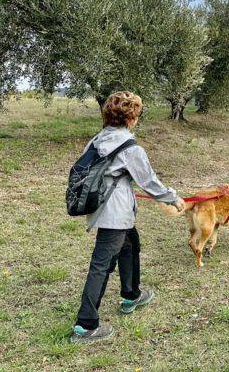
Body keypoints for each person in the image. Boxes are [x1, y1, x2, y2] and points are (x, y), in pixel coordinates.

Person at [71, 91, 185, 344]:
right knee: (101, 265)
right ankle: (85, 325)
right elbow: (149, 182)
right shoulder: (129, 147)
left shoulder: (96, 139)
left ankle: (131, 294)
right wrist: (173, 198)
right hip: (115, 213)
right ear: (132, 117)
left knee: (130, 246)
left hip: (102, 207)